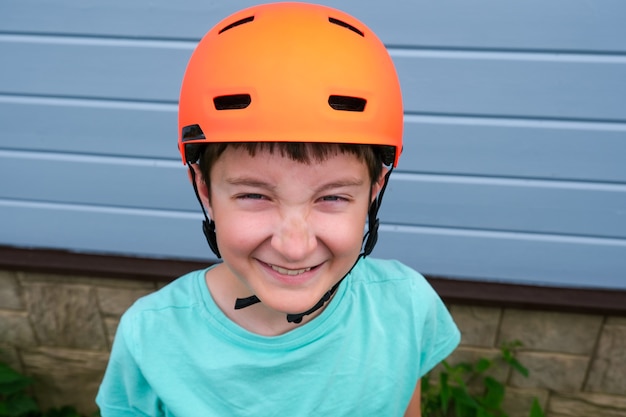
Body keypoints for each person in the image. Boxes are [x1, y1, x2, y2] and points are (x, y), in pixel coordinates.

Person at [96, 3, 460, 416]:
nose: (294, 246)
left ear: (374, 192)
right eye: (255, 196)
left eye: (332, 197)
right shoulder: (150, 336)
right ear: (203, 188)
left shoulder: (405, 307)